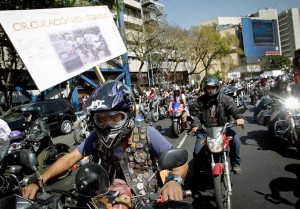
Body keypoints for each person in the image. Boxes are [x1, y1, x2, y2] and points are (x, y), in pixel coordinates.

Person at [22, 80, 188, 208]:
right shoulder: (95, 137)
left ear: (128, 114)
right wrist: (40, 181)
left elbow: (180, 162)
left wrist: (174, 180)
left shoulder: (146, 132)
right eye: (101, 119)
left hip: (145, 200)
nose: (107, 124)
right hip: (105, 197)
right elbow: (70, 158)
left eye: (115, 117)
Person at [190, 76, 244, 174]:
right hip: (205, 131)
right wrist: (195, 125)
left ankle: (235, 163)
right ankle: (197, 170)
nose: (211, 91)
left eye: (213, 88)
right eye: (209, 88)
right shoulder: (199, 101)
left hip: (223, 129)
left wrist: (239, 117)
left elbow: (233, 109)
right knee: (197, 151)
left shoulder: (225, 99)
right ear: (205, 89)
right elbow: (195, 115)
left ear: (217, 88)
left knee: (236, 140)